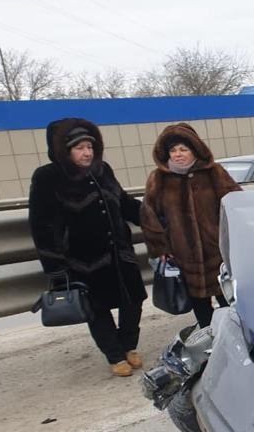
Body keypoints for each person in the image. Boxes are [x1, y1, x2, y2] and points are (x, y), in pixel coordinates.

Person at [28, 118, 148, 377]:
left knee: (134, 300)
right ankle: (115, 355)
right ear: (65, 150)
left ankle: (129, 346)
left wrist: (153, 215)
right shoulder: (47, 177)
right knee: (97, 309)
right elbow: (41, 225)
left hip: (120, 252)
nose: (87, 153)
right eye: (80, 148)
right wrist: (55, 268)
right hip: (81, 259)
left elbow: (124, 202)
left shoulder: (102, 169)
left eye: (90, 147)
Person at [140, 123, 241, 328]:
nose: (178, 154)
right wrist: (160, 249)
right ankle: (210, 342)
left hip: (218, 253)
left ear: (194, 150)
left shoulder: (214, 173)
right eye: (173, 150)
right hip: (183, 256)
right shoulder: (158, 179)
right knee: (201, 309)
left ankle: (238, 341)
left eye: (183, 149)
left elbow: (236, 203)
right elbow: (149, 217)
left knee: (232, 303)